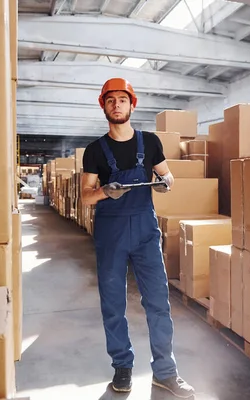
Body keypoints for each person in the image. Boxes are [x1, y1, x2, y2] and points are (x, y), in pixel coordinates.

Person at [81, 78, 195, 398]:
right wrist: (105, 191)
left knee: (158, 301)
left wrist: (164, 183)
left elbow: (168, 176)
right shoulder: (95, 151)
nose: (116, 104)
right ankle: (122, 366)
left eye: (122, 99)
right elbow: (85, 197)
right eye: (110, 100)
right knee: (113, 304)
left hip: (145, 231)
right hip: (111, 233)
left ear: (133, 104)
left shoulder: (151, 142)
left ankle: (165, 372)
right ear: (103, 105)